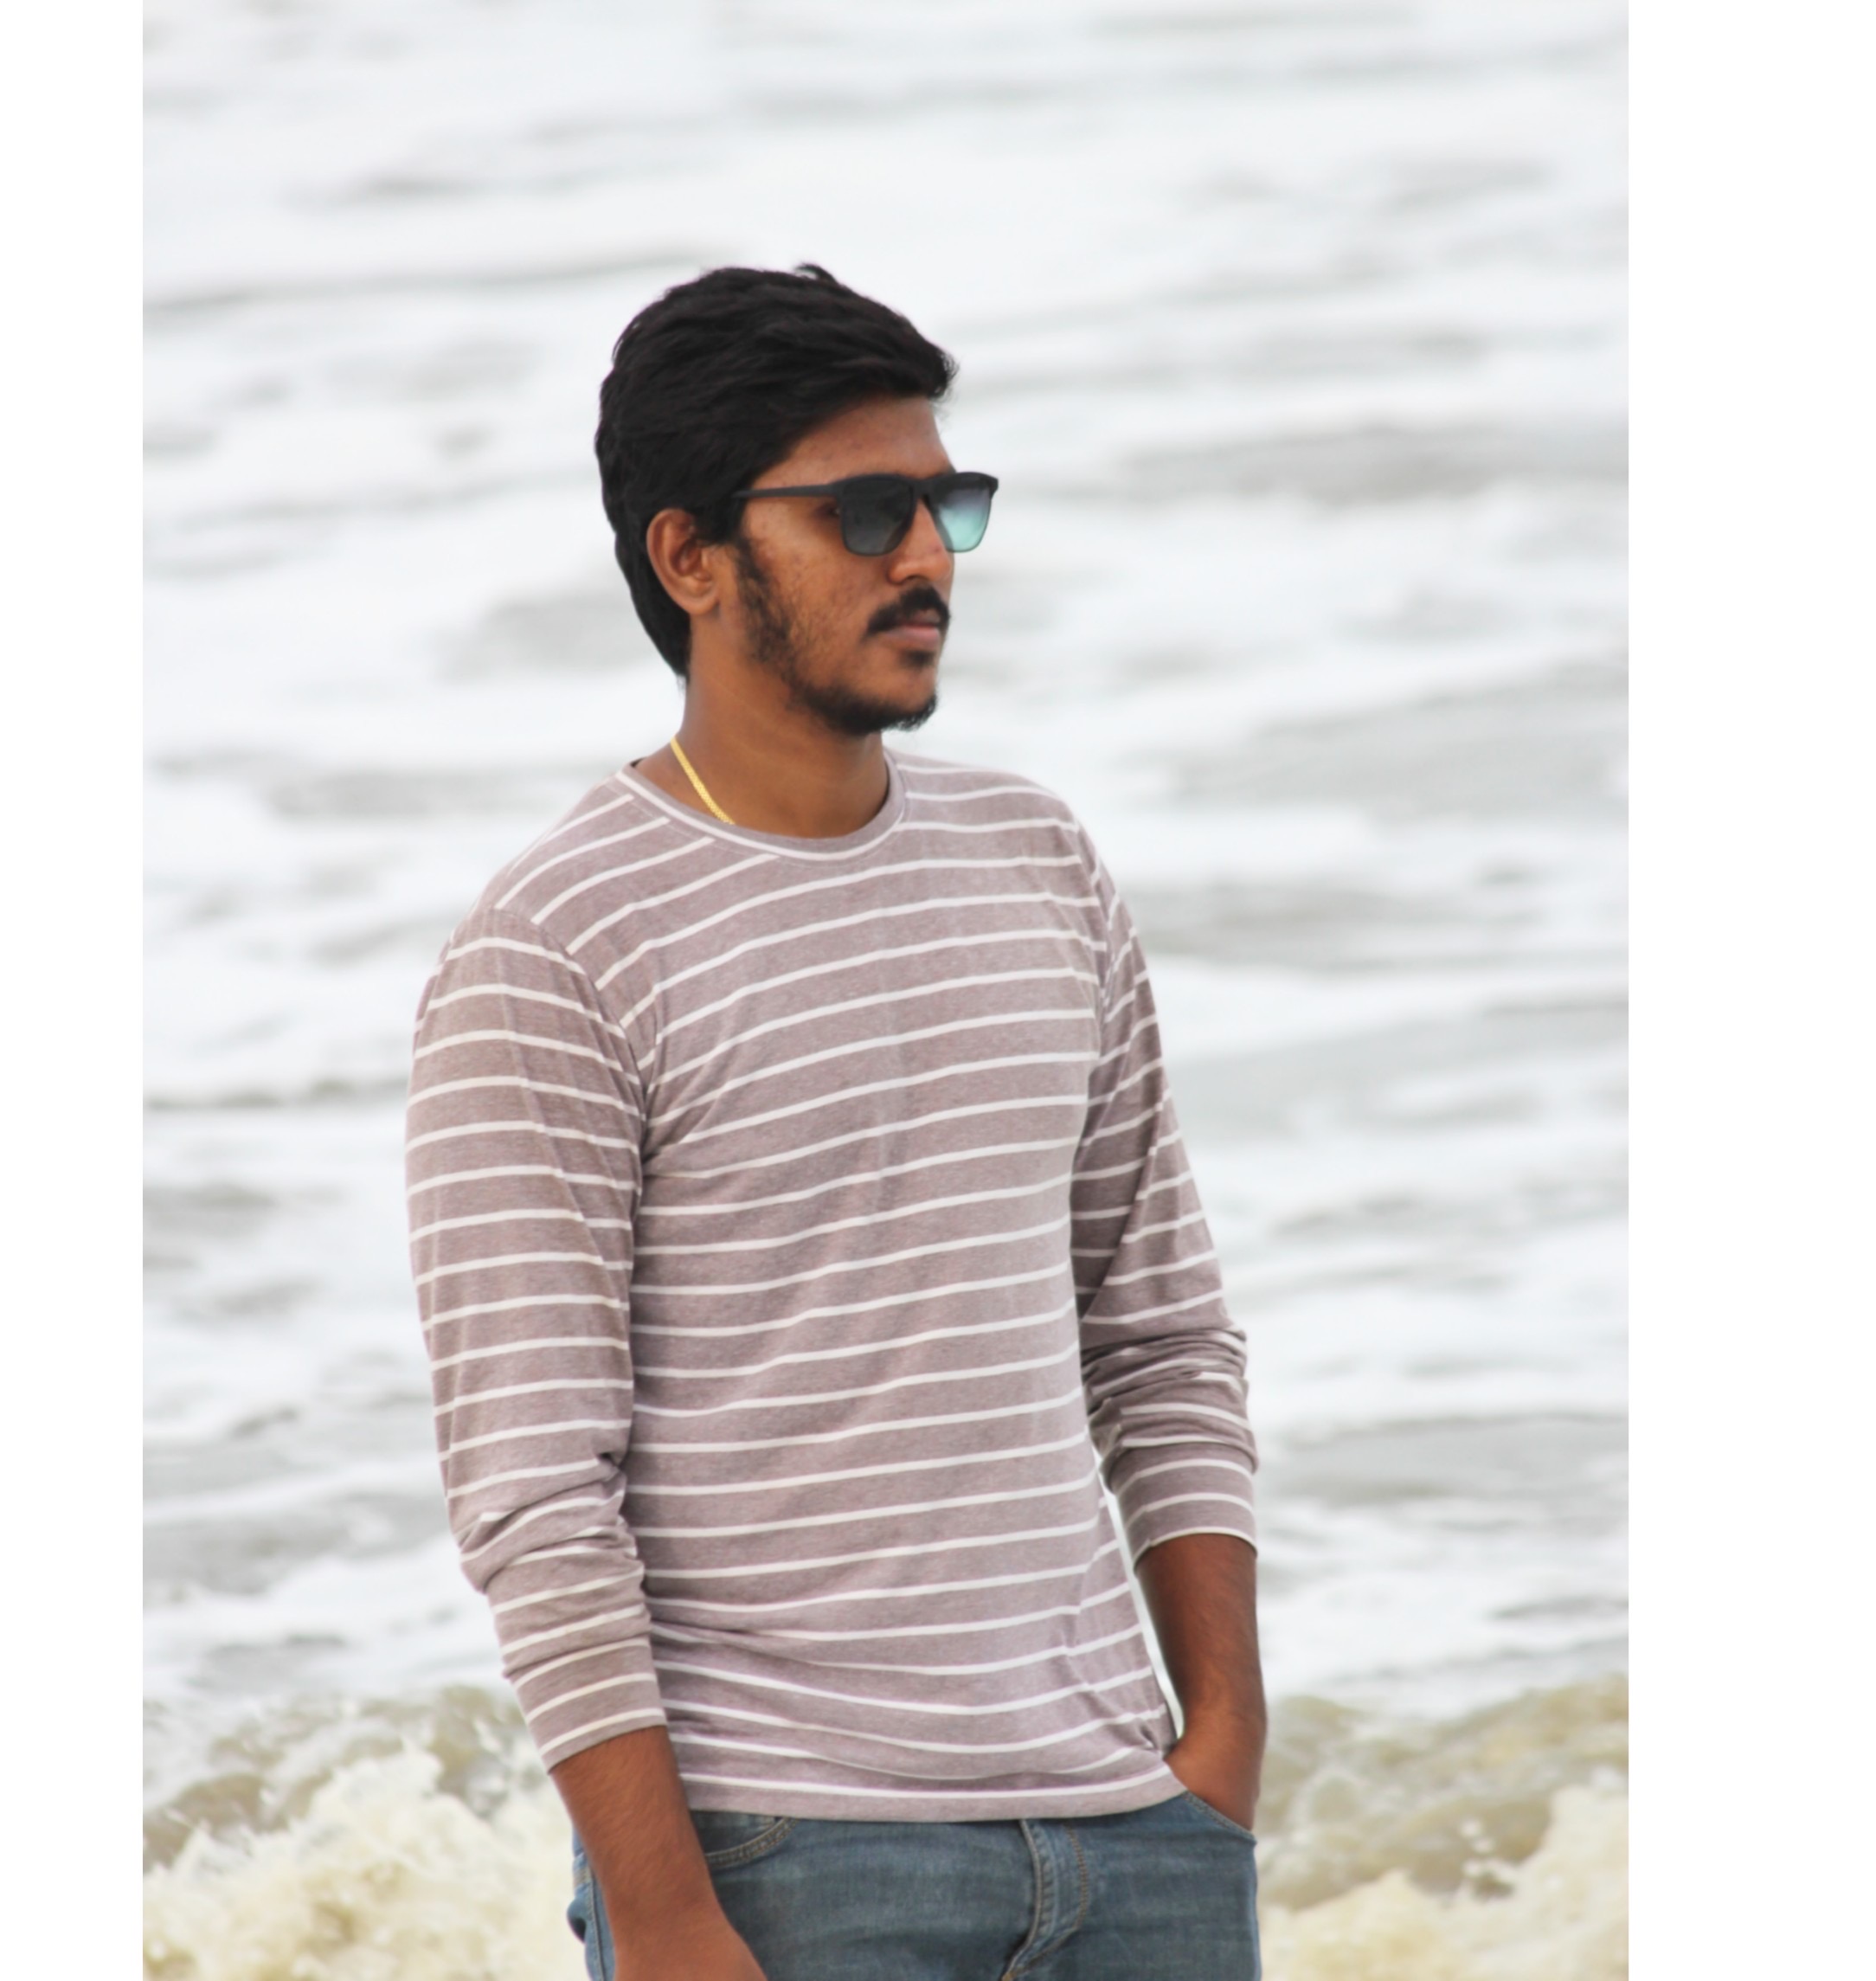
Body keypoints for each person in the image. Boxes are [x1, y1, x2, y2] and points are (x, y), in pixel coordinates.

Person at [405, 264, 1264, 1981]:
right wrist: (664, 1915)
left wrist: (1221, 1748)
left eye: (949, 504)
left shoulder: (1037, 858)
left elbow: (1159, 1334)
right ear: (690, 556)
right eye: (866, 511)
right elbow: (535, 1491)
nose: (925, 556)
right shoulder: (557, 945)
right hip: (789, 1859)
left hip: (1134, 1837)